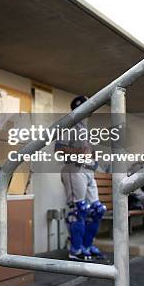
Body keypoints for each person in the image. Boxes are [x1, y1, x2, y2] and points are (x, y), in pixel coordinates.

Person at [56, 95, 107, 262]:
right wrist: (78, 153)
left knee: (97, 210)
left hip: (88, 172)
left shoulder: (84, 127)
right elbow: (58, 149)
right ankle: (75, 249)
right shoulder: (69, 124)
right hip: (74, 169)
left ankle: (86, 246)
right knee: (79, 209)